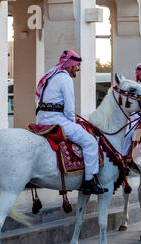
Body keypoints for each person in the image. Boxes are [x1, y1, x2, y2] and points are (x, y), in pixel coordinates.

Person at [35, 50, 107, 195]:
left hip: (42, 118)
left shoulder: (51, 75)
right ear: (70, 65)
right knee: (90, 142)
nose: (78, 69)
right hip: (57, 120)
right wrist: (73, 122)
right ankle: (89, 182)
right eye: (77, 66)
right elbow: (69, 108)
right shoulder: (65, 78)